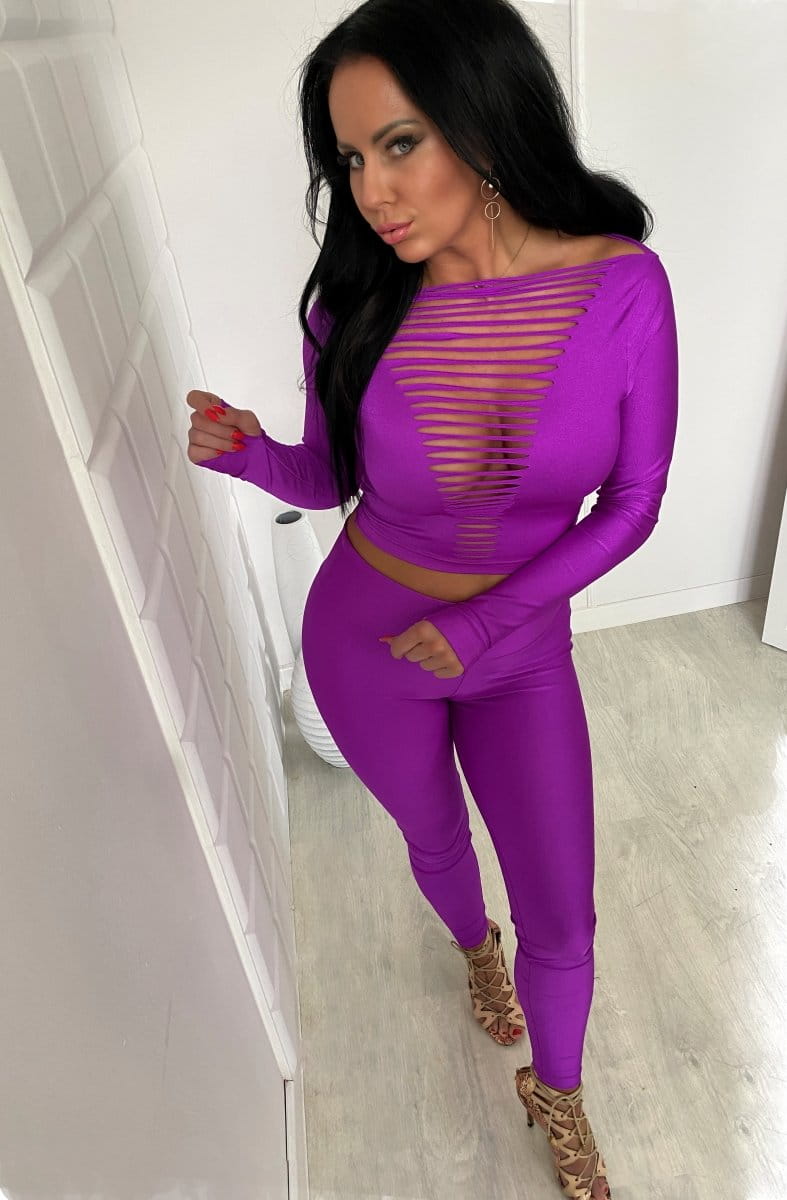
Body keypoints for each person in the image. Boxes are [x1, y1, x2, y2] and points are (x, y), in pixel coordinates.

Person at [187, 2, 680, 1196]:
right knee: (433, 837)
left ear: (484, 120)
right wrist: (250, 454)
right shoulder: (350, 307)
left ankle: (556, 1094)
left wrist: (480, 623)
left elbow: (631, 504)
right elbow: (328, 479)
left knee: (565, 912)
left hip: (516, 651)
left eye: (397, 143)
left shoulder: (622, 287)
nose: (368, 191)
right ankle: (472, 951)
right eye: (348, 158)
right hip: (365, 641)